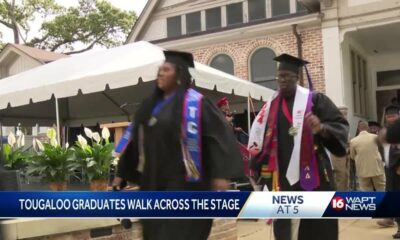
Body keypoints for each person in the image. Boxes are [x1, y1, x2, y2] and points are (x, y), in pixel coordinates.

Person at [113, 50, 244, 240]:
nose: (161, 73)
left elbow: (218, 137)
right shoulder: (151, 105)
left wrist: (221, 174)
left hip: (187, 186)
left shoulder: (197, 103)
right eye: (160, 69)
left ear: (180, 75)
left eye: (166, 69)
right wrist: (122, 172)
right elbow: (137, 142)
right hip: (154, 186)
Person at [248, 54, 349, 240]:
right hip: (282, 178)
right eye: (279, 76)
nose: (282, 80)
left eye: (287, 76)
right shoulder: (270, 106)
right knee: (286, 228)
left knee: (318, 228)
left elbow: (340, 127)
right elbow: (261, 139)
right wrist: (256, 169)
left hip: (314, 174)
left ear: (297, 78)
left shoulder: (315, 100)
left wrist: (322, 128)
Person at [377, 105, 400, 237]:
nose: (390, 118)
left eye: (393, 116)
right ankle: (392, 220)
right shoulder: (383, 131)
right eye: (388, 116)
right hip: (389, 169)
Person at [349, 121, 385, 191]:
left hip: (362, 169)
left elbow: (352, 156)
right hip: (377, 168)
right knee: (381, 188)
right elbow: (382, 150)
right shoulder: (376, 137)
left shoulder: (353, 141)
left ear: (359, 128)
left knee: (366, 189)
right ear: (368, 128)